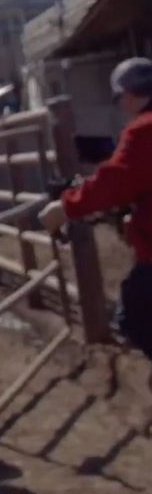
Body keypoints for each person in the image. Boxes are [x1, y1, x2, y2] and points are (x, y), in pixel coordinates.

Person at [40, 57, 152, 386]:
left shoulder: (144, 130)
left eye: (119, 99)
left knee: (134, 317)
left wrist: (65, 207)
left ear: (130, 94)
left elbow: (117, 180)